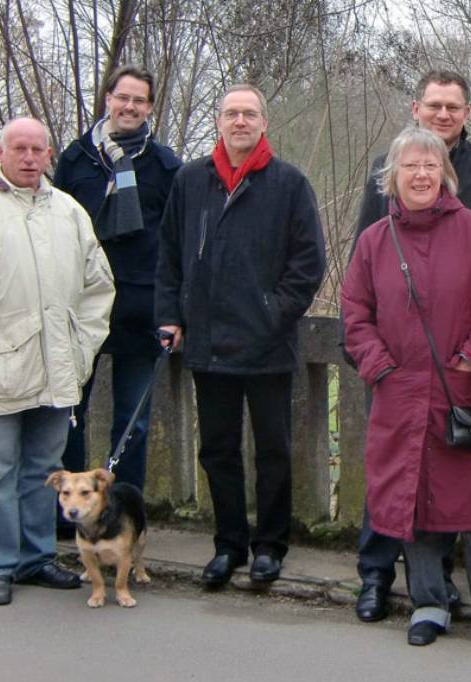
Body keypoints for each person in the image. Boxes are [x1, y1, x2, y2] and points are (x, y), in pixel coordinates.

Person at [342, 126, 471, 648]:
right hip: (399, 394)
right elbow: (355, 313)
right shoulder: (375, 240)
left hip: (459, 391)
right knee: (413, 504)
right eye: (409, 167)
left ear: (445, 175)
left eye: (429, 167)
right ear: (392, 178)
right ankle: (428, 603)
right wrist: (379, 367)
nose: (420, 176)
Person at [0, 117, 115, 605]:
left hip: (57, 368)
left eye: (38, 149)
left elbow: (99, 287)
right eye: (20, 148)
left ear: (49, 153)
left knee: (45, 469)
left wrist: (82, 350)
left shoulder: (69, 213)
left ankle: (36, 558)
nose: (30, 157)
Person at [155, 84, 325, 587]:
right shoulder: (192, 181)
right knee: (218, 449)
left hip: (267, 345)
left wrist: (275, 313)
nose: (240, 122)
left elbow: (308, 263)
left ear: (264, 122)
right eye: (232, 113)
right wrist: (171, 315)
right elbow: (168, 255)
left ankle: (270, 546)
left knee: (273, 449)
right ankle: (228, 544)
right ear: (219, 121)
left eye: (249, 114)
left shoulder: (289, 183)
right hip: (207, 344)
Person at [54, 65, 182, 502]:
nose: (129, 107)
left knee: (133, 419)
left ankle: (124, 510)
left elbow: (175, 241)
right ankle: (68, 508)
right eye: (122, 97)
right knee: (70, 413)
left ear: (149, 107)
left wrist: (171, 309)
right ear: (108, 98)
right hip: (80, 305)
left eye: (139, 100)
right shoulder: (75, 160)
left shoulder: (165, 166)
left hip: (139, 306)